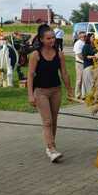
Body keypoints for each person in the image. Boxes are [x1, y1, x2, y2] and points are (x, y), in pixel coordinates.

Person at [27, 24, 74, 163]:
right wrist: (30, 94)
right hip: (40, 91)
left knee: (54, 120)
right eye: (48, 38)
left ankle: (50, 147)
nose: (52, 40)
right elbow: (30, 75)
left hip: (56, 90)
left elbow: (64, 73)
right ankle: (51, 148)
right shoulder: (35, 55)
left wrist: (70, 90)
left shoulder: (59, 54)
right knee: (47, 121)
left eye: (53, 37)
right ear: (41, 39)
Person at [81, 33, 97, 98]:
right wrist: (94, 57)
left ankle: (91, 95)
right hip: (88, 66)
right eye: (93, 37)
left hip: (94, 66)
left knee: (92, 82)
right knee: (89, 82)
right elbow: (85, 56)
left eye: (94, 37)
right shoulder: (86, 46)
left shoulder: (94, 46)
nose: (94, 38)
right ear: (89, 38)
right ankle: (89, 96)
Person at [73, 31, 86, 99]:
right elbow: (79, 55)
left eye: (85, 36)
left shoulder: (84, 43)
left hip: (84, 63)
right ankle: (77, 94)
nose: (84, 37)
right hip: (79, 63)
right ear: (79, 37)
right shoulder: (78, 43)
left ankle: (83, 95)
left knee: (84, 79)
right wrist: (85, 60)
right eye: (83, 36)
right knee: (79, 79)